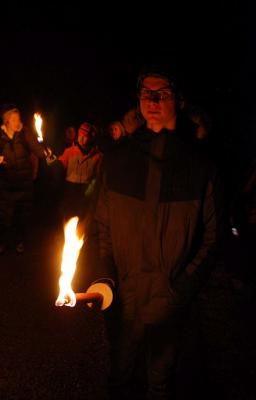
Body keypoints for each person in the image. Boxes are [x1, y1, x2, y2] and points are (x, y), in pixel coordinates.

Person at [94, 65, 224, 399]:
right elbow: (103, 226)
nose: (152, 100)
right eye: (146, 93)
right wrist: (107, 278)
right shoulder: (117, 161)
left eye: (161, 93)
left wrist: (179, 291)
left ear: (179, 101)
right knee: (119, 379)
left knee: (160, 383)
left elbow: (213, 238)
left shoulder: (199, 166)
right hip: (123, 301)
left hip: (169, 304)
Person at [0, 104, 53, 256]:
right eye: (15, 119)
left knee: (23, 217)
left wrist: (46, 153)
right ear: (7, 121)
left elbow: (38, 150)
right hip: (5, 186)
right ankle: (1, 242)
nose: (18, 122)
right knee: (3, 217)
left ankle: (20, 242)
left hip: (24, 184)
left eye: (19, 118)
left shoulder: (25, 133)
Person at [57, 122, 102, 224]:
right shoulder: (69, 152)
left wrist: (90, 189)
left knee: (83, 219)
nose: (81, 139)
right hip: (70, 189)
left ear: (91, 138)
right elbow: (59, 167)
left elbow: (98, 176)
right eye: (80, 135)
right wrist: (52, 161)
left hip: (85, 190)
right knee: (68, 218)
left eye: (85, 136)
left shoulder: (97, 156)